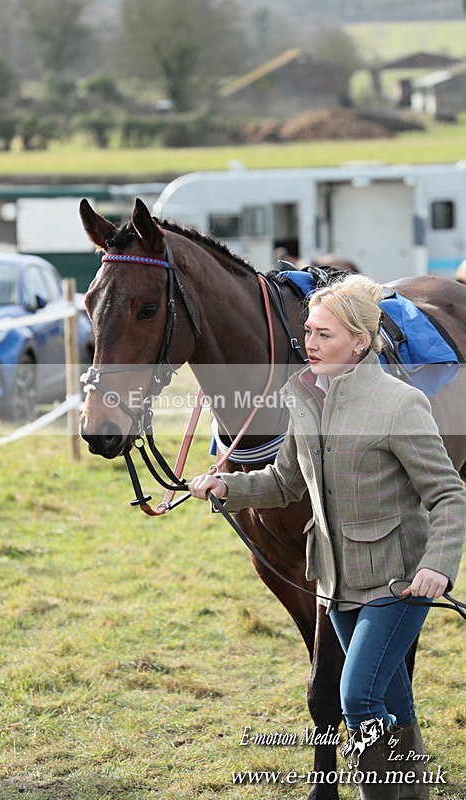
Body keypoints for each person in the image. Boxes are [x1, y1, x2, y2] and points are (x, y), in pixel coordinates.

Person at [188, 274, 466, 800]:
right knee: (394, 701)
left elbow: (449, 493)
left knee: (357, 698)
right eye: (308, 332)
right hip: (335, 581)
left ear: (359, 342)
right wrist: (228, 487)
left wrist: (439, 565)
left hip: (397, 580)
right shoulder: (304, 399)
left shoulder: (401, 404)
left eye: (324, 335)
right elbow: (285, 482)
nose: (309, 344)